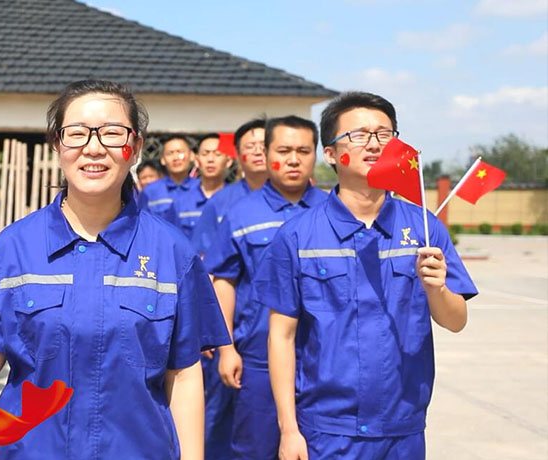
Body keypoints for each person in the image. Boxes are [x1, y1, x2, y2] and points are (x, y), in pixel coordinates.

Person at [0, 79, 230, 459]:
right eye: (77, 133)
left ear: (136, 146)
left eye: (112, 133)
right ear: (57, 145)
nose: (93, 148)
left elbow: (183, 374)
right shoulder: (15, 247)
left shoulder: (171, 251)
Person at [264, 92, 477, 460]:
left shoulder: (424, 229)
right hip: (327, 430)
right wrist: (288, 429)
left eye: (384, 134)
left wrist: (437, 289)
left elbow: (456, 321)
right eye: (359, 135)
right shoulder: (298, 235)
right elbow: (281, 336)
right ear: (331, 154)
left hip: (403, 429)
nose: (375, 144)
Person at [204, 115, 327, 459]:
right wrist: (227, 347)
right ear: (267, 152)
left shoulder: (332, 212)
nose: (293, 160)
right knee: (255, 448)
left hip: (323, 357)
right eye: (283, 151)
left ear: (316, 155)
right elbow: (224, 281)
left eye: (303, 151)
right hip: (258, 357)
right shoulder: (242, 213)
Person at [191, 118, 268, 256]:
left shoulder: (294, 197)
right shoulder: (219, 202)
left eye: (264, 145)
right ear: (237, 155)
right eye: (250, 146)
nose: (258, 152)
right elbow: (204, 255)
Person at [170, 134, 233, 239]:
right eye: (205, 154)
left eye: (217, 154)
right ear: (196, 160)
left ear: (228, 161)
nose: (210, 159)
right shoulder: (181, 202)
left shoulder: (237, 200)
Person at [138, 136, 199, 219]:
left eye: (180, 152)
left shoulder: (202, 189)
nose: (176, 158)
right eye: (170, 153)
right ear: (163, 159)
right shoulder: (150, 191)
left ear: (191, 155)